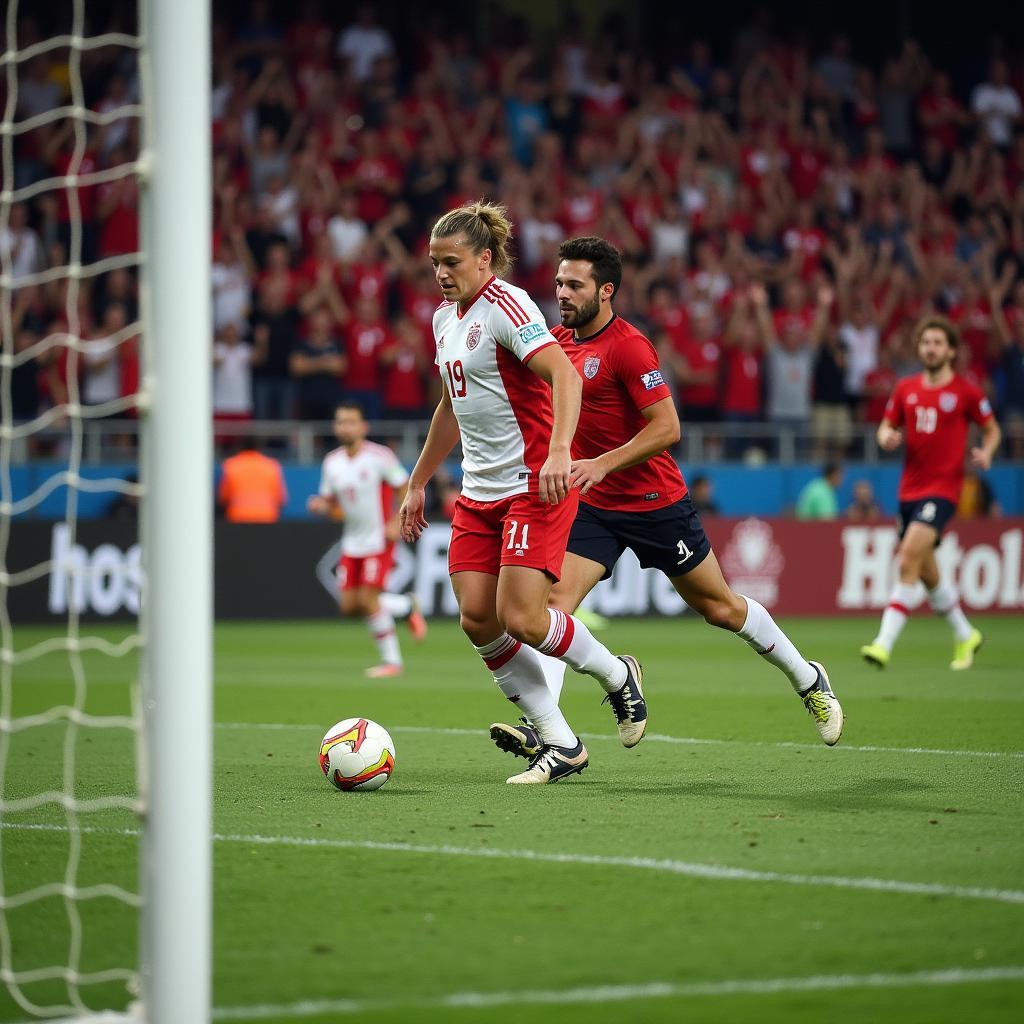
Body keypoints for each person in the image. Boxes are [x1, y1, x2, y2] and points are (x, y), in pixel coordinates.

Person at [490, 237, 843, 765]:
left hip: (655, 501)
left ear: (605, 291)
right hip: (592, 504)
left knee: (720, 609)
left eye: (574, 285)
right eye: (559, 283)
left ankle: (807, 676)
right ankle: (550, 728)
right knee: (550, 609)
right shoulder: (556, 343)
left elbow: (668, 427)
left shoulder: (630, 346)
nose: (561, 293)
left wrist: (602, 463)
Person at [399, 203, 643, 785]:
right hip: (479, 492)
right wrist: (416, 482)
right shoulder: (443, 320)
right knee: (477, 617)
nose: (441, 273)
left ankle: (615, 675)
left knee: (525, 618)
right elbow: (449, 407)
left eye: (451, 261)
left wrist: (561, 450)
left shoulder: (508, 306)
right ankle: (562, 743)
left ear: (485, 259)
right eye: (434, 263)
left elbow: (563, 373)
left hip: (534, 484)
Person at [861, 316, 1001, 671]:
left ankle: (883, 643)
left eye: (938, 343)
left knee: (908, 556)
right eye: (926, 342)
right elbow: (886, 426)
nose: (931, 348)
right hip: (909, 491)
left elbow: (992, 428)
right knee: (926, 570)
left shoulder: (966, 391)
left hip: (943, 490)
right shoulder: (906, 388)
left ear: (951, 351)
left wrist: (987, 451)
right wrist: (885, 437)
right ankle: (965, 633)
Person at [308, 403, 427, 678]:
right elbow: (331, 502)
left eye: (351, 421)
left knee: (369, 599)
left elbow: (404, 486)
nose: (345, 427)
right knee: (349, 606)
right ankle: (406, 606)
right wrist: (321, 506)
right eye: (340, 422)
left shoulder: (379, 457)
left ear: (363, 427)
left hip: (379, 538)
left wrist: (396, 522)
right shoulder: (332, 462)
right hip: (351, 541)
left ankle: (392, 663)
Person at [217, 439, 288, 523]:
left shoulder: (231, 465)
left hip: (238, 516)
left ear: (239, 448)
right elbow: (281, 499)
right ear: (259, 448)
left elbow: (223, 497)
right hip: (267, 517)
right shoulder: (271, 465)